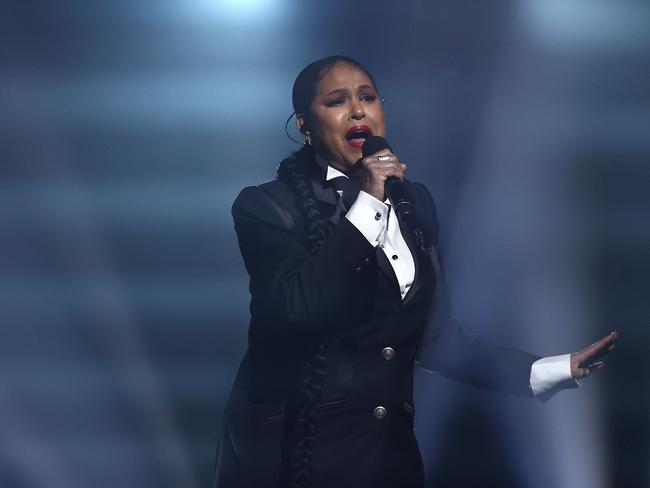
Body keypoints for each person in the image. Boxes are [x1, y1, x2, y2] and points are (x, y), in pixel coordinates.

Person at [213, 55, 618, 488]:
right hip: (294, 458)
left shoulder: (413, 203)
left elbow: (435, 336)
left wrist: (550, 369)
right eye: (337, 101)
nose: (357, 110)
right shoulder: (267, 207)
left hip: (389, 459)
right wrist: (367, 202)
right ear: (305, 126)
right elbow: (300, 307)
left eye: (367, 97)